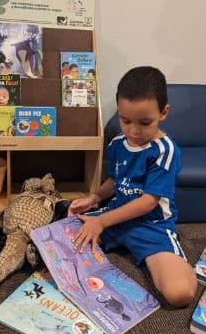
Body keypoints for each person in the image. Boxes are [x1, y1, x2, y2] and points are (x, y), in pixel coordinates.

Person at [68, 66, 197, 307]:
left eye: (145, 122)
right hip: (114, 218)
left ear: (164, 113)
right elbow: (115, 180)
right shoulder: (119, 142)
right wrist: (94, 198)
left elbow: (148, 202)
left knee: (179, 294)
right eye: (125, 120)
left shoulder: (164, 151)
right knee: (61, 235)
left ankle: (181, 263)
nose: (133, 131)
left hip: (151, 227)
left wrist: (102, 221)